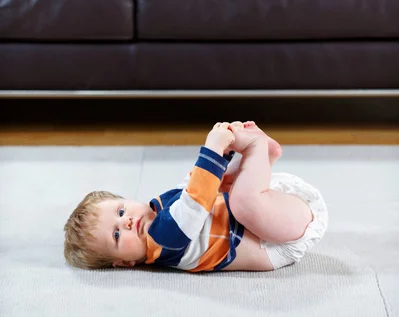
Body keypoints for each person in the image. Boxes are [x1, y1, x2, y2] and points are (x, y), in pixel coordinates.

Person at [64, 121, 328, 272]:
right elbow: (195, 202)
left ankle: (261, 159)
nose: (127, 222)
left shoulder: (160, 206)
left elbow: (194, 185)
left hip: (272, 213)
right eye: (117, 235)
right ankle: (256, 148)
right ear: (125, 262)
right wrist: (213, 147)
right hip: (274, 240)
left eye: (120, 211)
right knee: (239, 201)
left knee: (222, 185)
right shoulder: (163, 241)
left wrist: (224, 154)